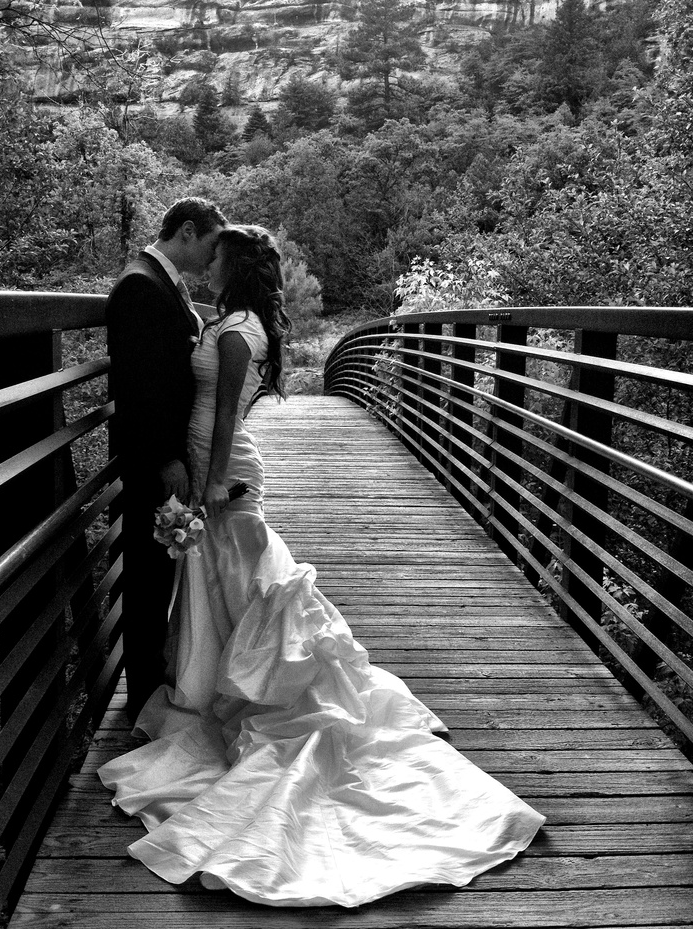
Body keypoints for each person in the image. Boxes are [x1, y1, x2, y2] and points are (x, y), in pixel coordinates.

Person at [99, 225, 545, 908]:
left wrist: (213, 483)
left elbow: (223, 417)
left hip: (227, 474)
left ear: (233, 264)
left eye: (215, 256)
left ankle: (263, 696)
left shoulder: (236, 331)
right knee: (232, 588)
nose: (206, 264)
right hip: (208, 470)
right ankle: (229, 684)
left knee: (247, 584)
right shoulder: (232, 321)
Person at [106, 197, 226, 719]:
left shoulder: (160, 281)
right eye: (211, 245)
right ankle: (143, 699)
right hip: (155, 460)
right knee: (148, 579)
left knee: (158, 574)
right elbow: (138, 389)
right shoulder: (140, 285)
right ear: (187, 230)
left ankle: (154, 690)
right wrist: (165, 460)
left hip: (168, 454)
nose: (213, 257)